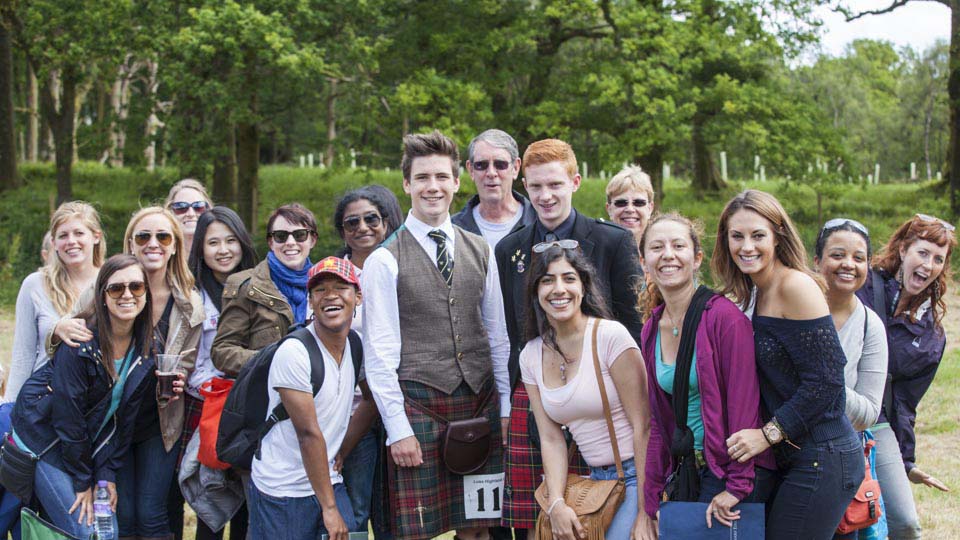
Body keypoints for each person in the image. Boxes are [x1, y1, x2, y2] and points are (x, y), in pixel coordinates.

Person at [361, 131, 511, 539]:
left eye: (442, 177)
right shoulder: (383, 260)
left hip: (479, 400)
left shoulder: (480, 249)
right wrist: (399, 428)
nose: (433, 187)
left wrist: (505, 407)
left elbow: (497, 337)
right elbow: (379, 356)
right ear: (406, 184)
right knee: (419, 532)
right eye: (423, 177)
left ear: (457, 181)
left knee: (480, 528)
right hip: (420, 408)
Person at [495, 138, 643, 535]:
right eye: (537, 186)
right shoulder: (509, 249)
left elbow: (635, 327)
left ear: (575, 182)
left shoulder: (613, 241)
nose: (546, 196)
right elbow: (515, 330)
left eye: (555, 185)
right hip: (545, 392)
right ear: (524, 186)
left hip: (610, 397)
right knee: (543, 526)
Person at [713, 190, 864, 539]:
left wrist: (767, 434)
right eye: (737, 236)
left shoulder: (795, 286)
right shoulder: (755, 290)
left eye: (757, 236)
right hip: (795, 455)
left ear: (778, 236)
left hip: (824, 454)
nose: (746, 246)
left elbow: (827, 383)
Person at [638, 213, 774, 528]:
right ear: (644, 261)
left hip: (730, 471)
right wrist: (652, 498)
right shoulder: (651, 330)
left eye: (678, 245)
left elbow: (744, 407)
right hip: (688, 470)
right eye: (657, 247)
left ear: (696, 258)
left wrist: (736, 486)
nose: (668, 255)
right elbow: (660, 422)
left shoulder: (724, 319)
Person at [10, 254, 158, 540]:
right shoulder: (80, 341)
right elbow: (68, 417)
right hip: (45, 440)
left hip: (85, 446)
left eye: (136, 287)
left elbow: (121, 423)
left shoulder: (147, 349)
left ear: (146, 294)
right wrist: (83, 482)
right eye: (116, 289)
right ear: (102, 296)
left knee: (106, 533)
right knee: (86, 529)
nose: (127, 295)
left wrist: (106, 477)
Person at [521, 243, 656, 540]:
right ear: (535, 292)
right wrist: (556, 503)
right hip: (593, 482)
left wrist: (647, 511)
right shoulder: (530, 355)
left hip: (637, 477)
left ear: (583, 287)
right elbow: (551, 436)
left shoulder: (610, 337)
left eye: (569, 278)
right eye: (547, 280)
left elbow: (644, 426)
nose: (559, 289)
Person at [856, 213, 955, 539]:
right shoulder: (862, 284)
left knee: (906, 524)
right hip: (829, 410)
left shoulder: (931, 337)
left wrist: (906, 461)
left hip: (877, 420)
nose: (928, 265)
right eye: (922, 253)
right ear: (902, 250)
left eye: (938, 259)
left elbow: (905, 403)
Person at [249, 257, 363, 539]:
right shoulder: (295, 352)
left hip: (327, 478)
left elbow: (372, 399)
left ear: (358, 296)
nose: (331, 295)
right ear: (311, 301)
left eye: (341, 287)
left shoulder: (355, 344)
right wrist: (329, 508)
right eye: (320, 290)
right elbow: (308, 434)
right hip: (283, 489)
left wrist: (344, 448)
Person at [118, 206, 204, 540]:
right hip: (115, 423)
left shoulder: (189, 303)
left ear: (174, 246)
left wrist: (181, 375)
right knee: (123, 516)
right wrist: (60, 327)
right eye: (143, 236)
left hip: (161, 423)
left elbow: (189, 361)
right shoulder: (110, 286)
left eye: (162, 236)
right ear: (131, 244)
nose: (153, 243)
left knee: (152, 515)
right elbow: (74, 325)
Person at [179, 207, 258, 540]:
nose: (223, 250)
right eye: (213, 242)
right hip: (207, 409)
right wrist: (218, 392)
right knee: (211, 505)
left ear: (242, 243)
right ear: (200, 248)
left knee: (247, 505)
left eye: (230, 240)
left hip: (253, 411)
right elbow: (188, 360)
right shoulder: (192, 296)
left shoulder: (260, 288)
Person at [330, 187, 397, 536]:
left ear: (386, 222)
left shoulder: (402, 267)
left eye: (371, 218)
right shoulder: (331, 276)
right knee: (355, 506)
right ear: (342, 231)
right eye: (351, 222)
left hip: (401, 407)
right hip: (352, 410)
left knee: (393, 511)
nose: (362, 227)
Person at [8, 201, 105, 402]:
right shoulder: (34, 285)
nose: (71, 241)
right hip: (43, 401)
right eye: (63, 236)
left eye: (79, 233)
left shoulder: (112, 283)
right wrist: (10, 409)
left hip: (95, 401)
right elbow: (22, 357)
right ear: (53, 243)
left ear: (96, 237)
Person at [212, 203, 318, 377]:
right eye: (281, 236)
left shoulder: (324, 285)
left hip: (317, 391)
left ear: (312, 240)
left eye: (300, 235)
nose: (290, 242)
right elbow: (222, 352)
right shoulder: (245, 286)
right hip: (264, 395)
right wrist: (273, 360)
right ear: (270, 242)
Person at [813, 219, 888, 433]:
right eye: (837, 255)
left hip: (839, 447)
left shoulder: (870, 325)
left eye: (858, 258)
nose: (848, 264)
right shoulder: (791, 310)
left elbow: (869, 413)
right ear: (816, 261)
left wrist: (821, 386)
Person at [452, 129, 536, 247]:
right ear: (471, 170)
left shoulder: (540, 222)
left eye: (500, 165)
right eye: (481, 165)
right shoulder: (452, 229)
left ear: (516, 168)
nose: (491, 173)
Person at [605, 165, 655, 250]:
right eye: (621, 203)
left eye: (639, 203)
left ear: (650, 208)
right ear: (609, 209)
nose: (630, 209)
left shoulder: (663, 255)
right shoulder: (595, 254)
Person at [165, 179, 213, 249]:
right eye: (181, 207)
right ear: (170, 212)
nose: (191, 214)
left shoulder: (219, 254)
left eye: (198, 207)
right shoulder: (162, 255)